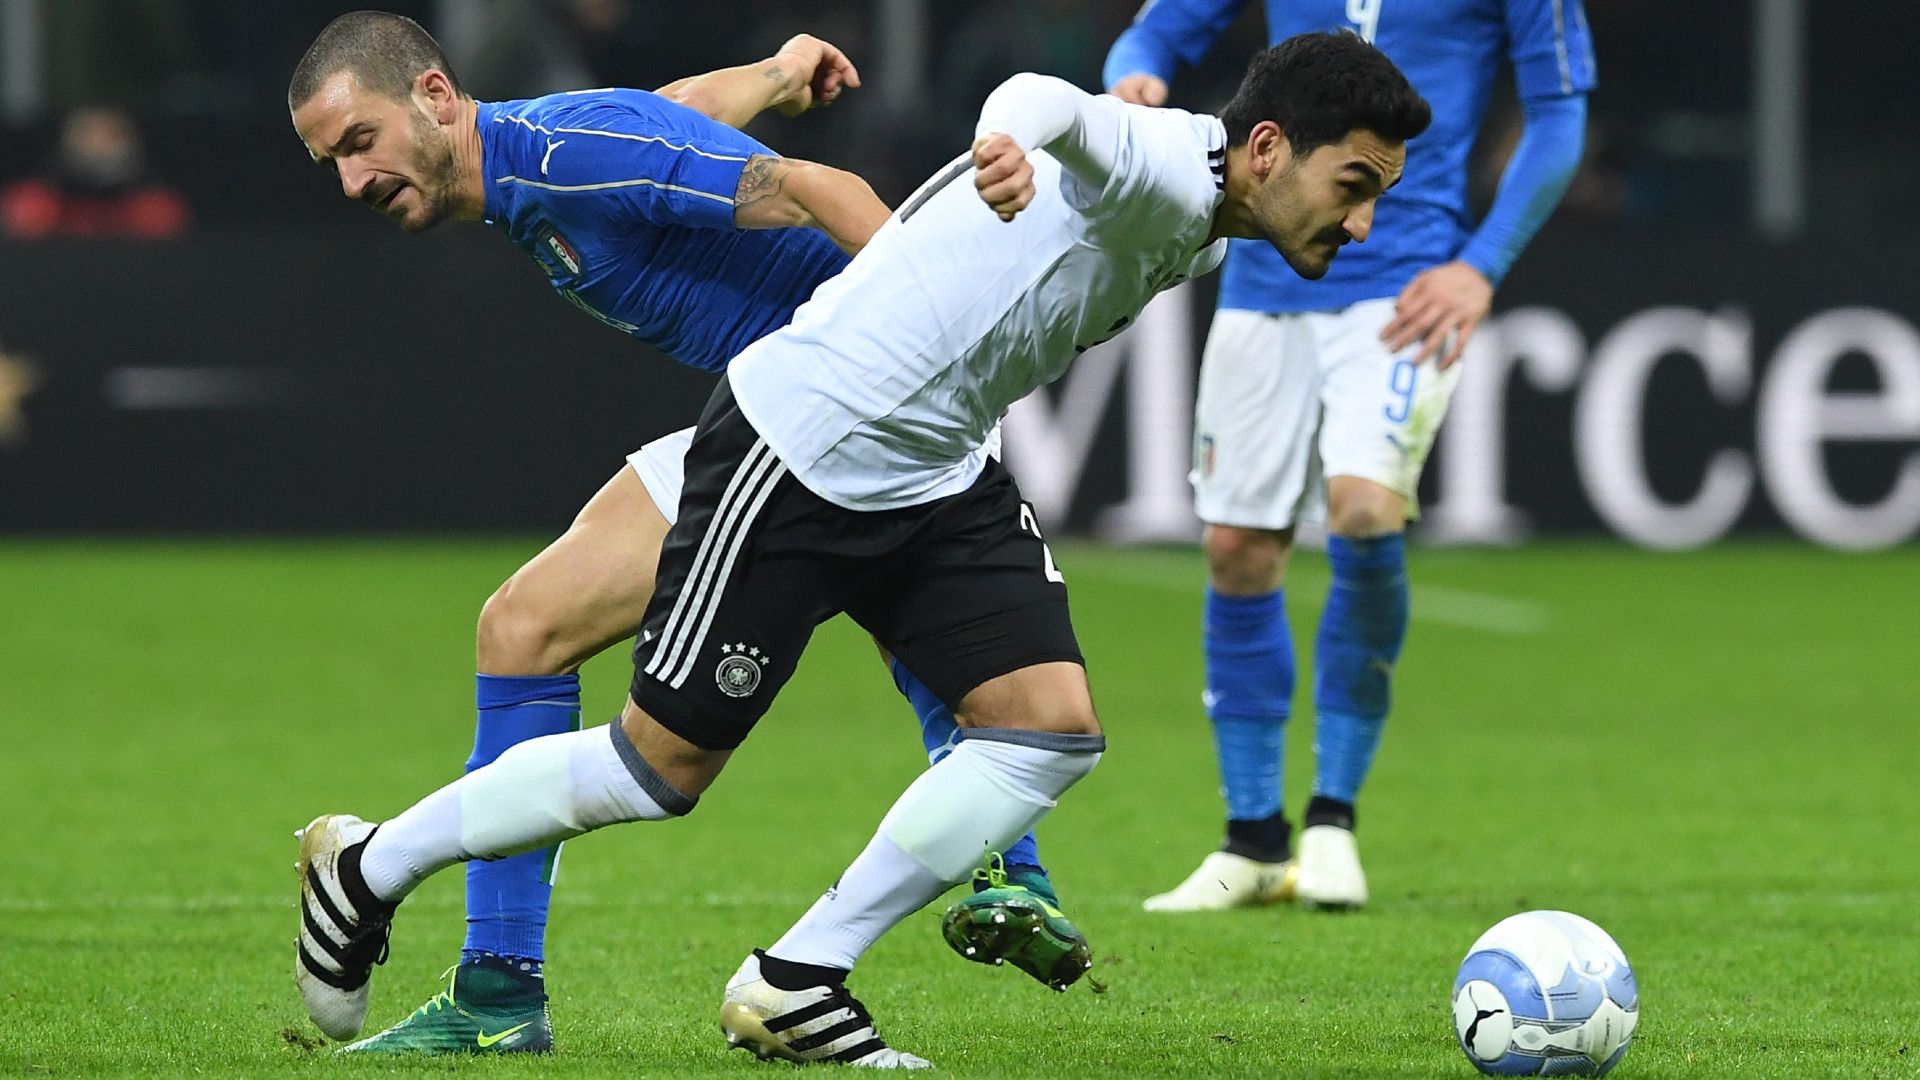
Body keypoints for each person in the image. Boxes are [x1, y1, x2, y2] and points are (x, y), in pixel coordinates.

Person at [291, 31, 1429, 1067]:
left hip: (924, 460)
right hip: (813, 442)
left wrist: (783, 90)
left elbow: (661, 123)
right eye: (1356, 187)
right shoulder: (1165, 161)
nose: (1364, 221)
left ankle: (800, 976)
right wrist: (1004, 150)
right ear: (1270, 147)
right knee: (655, 770)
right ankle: (373, 867)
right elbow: (1043, 97)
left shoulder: (1201, 225)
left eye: (358, 144)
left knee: (1049, 731)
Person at [284, 11, 1086, 1056]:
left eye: (360, 143)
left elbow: (812, 190)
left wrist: (930, 327)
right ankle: (497, 994)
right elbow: (675, 121)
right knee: (525, 629)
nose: (354, 183)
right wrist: (774, 71)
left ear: (435, 96)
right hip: (779, 409)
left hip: (830, 407)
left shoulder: (565, 162)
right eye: (330, 164)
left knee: (661, 747)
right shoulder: (548, 157)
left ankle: (469, 961)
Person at [1106, 0, 1595, 912]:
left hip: (1408, 284)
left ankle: (1333, 819)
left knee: (1365, 507)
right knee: (1236, 550)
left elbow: (1560, 113)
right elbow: (1156, 31)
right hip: (1265, 268)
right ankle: (1252, 841)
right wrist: (1132, 78)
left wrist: (1480, 265)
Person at [0, 106, 189, 240]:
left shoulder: (156, 207)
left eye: (111, 136)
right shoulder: (35, 201)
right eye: (88, 135)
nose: (98, 145)